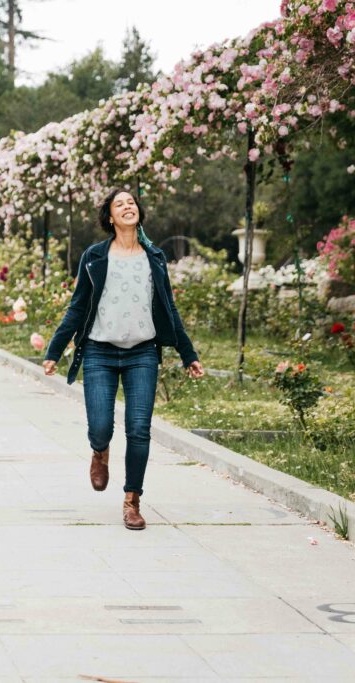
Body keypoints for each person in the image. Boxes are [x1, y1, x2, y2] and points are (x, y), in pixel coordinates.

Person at [42, 189, 205, 530]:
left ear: (138, 213)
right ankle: (99, 451)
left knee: (139, 430)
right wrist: (54, 351)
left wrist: (188, 354)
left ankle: (132, 500)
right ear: (110, 218)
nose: (128, 206)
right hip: (100, 352)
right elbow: (77, 307)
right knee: (101, 426)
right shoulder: (95, 256)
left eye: (131, 202)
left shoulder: (154, 257)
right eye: (120, 204)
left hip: (142, 353)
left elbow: (169, 309)